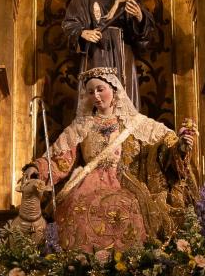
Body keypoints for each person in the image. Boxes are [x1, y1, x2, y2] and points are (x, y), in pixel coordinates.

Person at [33, 68, 196, 252]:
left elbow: (164, 144)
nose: (96, 96)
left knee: (127, 208)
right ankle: (81, 265)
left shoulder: (135, 123)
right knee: (77, 209)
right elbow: (60, 159)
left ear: (114, 89)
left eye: (100, 89)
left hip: (122, 182)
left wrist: (181, 146)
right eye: (90, 92)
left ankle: (127, 265)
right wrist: (36, 168)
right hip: (87, 184)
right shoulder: (81, 125)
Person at [61, 0, 153, 108]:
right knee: (97, 100)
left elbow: (144, 31)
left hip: (122, 52)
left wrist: (139, 16)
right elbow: (69, 24)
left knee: (124, 103)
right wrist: (83, 33)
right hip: (96, 53)